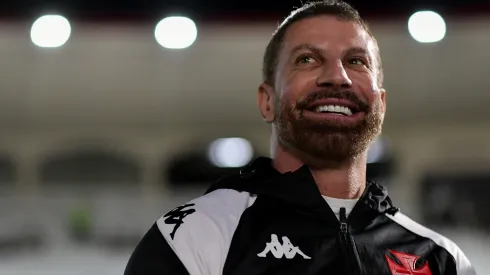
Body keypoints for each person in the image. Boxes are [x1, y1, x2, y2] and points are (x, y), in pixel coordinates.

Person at [124, 1, 476, 274]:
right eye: (307, 59)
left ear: (380, 105)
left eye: (357, 62)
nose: (337, 77)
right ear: (267, 101)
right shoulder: (194, 238)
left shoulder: (442, 259)